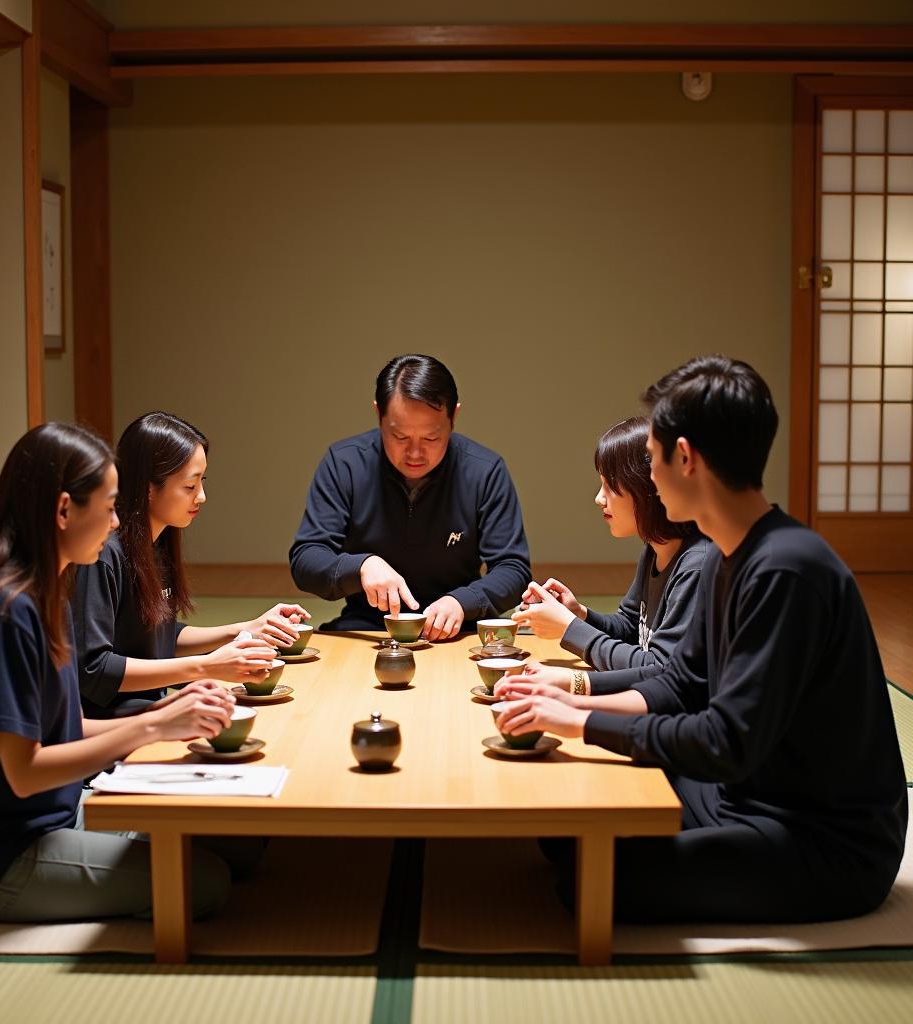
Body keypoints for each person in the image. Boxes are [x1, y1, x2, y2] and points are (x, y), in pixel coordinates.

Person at [496, 355, 907, 923]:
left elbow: (724, 740)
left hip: (819, 838)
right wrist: (568, 700)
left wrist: (579, 722)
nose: (649, 476)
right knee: (565, 834)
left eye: (652, 458)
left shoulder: (787, 569)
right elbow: (680, 681)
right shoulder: (724, 557)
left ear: (684, 458)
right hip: (740, 794)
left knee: (586, 884)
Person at [0, 423, 237, 922]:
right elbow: (23, 771)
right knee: (206, 879)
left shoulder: (45, 589)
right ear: (63, 510)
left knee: (232, 841)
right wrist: (150, 726)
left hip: (50, 813)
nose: (116, 523)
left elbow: (61, 728)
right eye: (107, 508)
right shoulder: (7, 611)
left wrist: (165, 709)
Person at [75, 411, 310, 717]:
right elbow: (94, 669)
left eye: (202, 482)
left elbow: (162, 638)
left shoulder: (156, 544)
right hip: (112, 722)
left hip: (153, 708)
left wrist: (248, 628)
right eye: (189, 486)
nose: (201, 497)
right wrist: (206, 667)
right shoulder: (103, 554)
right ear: (148, 487)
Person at [290, 354, 532, 640]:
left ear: (454, 416)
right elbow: (306, 558)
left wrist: (463, 601)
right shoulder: (344, 464)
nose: (415, 453)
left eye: (431, 438)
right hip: (369, 626)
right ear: (379, 413)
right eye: (399, 437)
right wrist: (361, 566)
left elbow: (513, 569)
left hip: (459, 626)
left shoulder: (484, 470)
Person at [512, 417, 710, 696]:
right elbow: (631, 629)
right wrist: (578, 614)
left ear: (648, 487)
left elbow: (660, 670)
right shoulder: (655, 548)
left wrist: (569, 630)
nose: (599, 498)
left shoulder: (697, 565)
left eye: (610, 485)